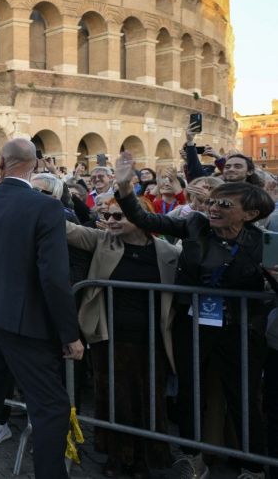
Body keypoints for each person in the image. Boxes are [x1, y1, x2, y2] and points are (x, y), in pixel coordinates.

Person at [113, 151, 274, 478]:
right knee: (190, 391)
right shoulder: (195, 224)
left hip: (240, 329)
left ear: (250, 214)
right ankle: (191, 457)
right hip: (193, 323)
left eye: (224, 204)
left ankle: (253, 467)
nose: (213, 208)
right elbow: (146, 220)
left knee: (242, 397)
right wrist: (125, 188)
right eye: (212, 202)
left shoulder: (265, 243)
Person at [0, 139, 83, 479]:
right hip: (26, 322)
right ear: (36, 164)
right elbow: (53, 276)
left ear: (0, 163)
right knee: (51, 407)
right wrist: (69, 333)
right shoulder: (46, 207)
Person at [66, 193, 179, 477]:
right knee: (113, 397)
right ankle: (116, 455)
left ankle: (143, 457)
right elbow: (68, 230)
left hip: (152, 337)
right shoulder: (102, 240)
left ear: (141, 218)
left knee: (148, 398)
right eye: (107, 215)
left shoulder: (167, 252)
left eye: (119, 216)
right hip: (109, 335)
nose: (110, 221)